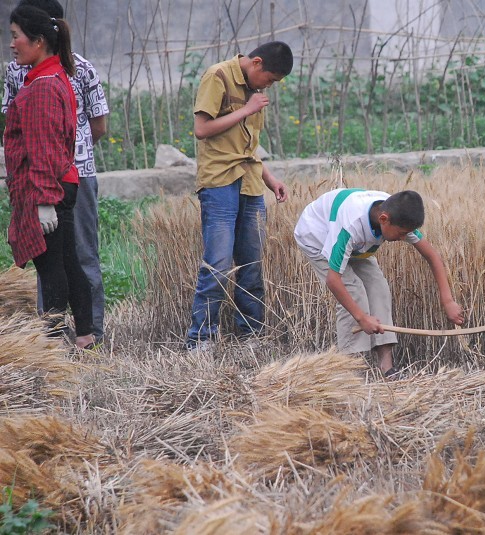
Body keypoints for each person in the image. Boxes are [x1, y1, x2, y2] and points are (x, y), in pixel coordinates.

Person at [2, 0, 109, 344]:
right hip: (61, 181)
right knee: (67, 261)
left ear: (38, 40)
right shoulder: (50, 74)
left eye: (16, 35)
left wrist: (45, 199)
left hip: (50, 185)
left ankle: (53, 341)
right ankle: (86, 336)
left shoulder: (45, 85)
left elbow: (45, 149)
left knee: (54, 269)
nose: (11, 42)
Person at [185, 41, 293, 350]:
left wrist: (270, 178)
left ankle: (251, 337)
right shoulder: (217, 76)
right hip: (219, 182)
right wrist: (246, 110)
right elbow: (202, 129)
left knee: (251, 264)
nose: (269, 86)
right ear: (256, 63)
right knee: (218, 264)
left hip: (250, 182)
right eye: (270, 79)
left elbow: (247, 145)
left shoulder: (254, 93)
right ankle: (200, 340)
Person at [294, 188, 465, 378]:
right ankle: (350, 372)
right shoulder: (351, 226)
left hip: (356, 246)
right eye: (401, 234)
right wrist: (361, 318)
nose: (403, 238)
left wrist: (448, 300)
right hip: (318, 237)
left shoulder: (397, 214)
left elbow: (432, 256)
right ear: (384, 219)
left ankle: (387, 369)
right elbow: (334, 281)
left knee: (379, 287)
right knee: (354, 292)